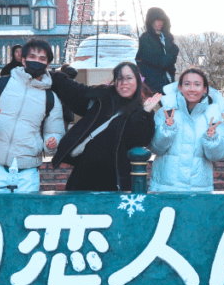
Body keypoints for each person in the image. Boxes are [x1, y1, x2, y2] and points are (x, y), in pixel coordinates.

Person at [0, 39, 64, 192]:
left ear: (48, 65)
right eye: (32, 57)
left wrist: (52, 142)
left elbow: (55, 132)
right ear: (23, 60)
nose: (36, 62)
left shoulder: (51, 98)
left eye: (42, 59)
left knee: (26, 214)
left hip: (28, 172)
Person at [50, 62, 160, 191]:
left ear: (138, 80)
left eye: (129, 78)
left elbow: (140, 140)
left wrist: (145, 113)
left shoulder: (142, 111)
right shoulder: (103, 96)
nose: (124, 82)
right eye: (119, 78)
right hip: (84, 172)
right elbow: (76, 91)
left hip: (115, 179)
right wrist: (52, 76)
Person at [150, 68, 224, 192]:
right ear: (180, 87)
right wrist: (167, 130)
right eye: (187, 84)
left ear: (205, 88)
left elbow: (221, 154)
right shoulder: (166, 112)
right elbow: (155, 148)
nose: (192, 89)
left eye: (197, 84)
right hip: (165, 188)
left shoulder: (212, 115)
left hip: (198, 189)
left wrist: (213, 139)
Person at [135, 7, 179, 91]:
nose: (160, 22)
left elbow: (168, 61)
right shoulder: (145, 39)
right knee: (155, 104)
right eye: (157, 20)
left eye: (162, 20)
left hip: (170, 83)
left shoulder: (168, 38)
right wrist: (173, 53)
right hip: (153, 86)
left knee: (171, 104)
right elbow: (160, 61)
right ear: (151, 21)